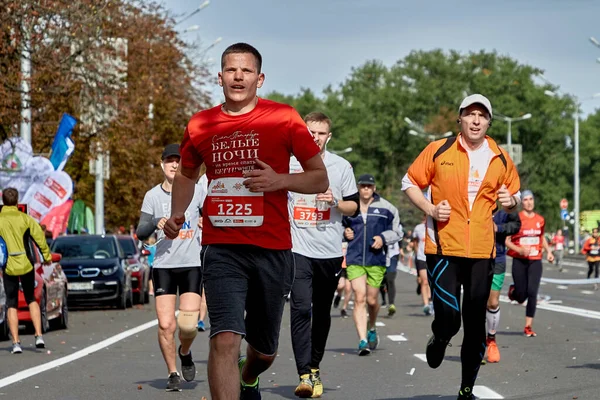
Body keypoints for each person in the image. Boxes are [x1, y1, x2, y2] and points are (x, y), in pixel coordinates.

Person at [163, 42, 329, 400]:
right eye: (231, 70)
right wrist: (178, 213)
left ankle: (249, 375)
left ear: (260, 78)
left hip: (272, 247)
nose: (238, 76)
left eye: (246, 70)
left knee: (264, 351)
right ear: (220, 77)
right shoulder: (201, 123)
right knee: (224, 337)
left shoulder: (283, 118)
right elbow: (187, 175)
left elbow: (319, 178)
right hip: (221, 246)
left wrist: (279, 180)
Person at [402, 94, 521, 400]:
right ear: (461, 119)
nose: (476, 120)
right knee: (450, 318)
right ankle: (439, 337)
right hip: (443, 248)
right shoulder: (438, 149)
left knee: (475, 324)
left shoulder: (501, 157)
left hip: (482, 250)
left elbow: (513, 195)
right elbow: (409, 182)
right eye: (470, 114)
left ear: (489, 121)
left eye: (482, 115)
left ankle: (466, 389)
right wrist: (429, 209)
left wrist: (511, 202)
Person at [288, 111, 359, 398]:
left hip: (328, 251)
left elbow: (353, 208)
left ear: (328, 136)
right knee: (301, 307)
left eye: (320, 133)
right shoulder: (289, 163)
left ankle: (315, 365)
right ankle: (304, 373)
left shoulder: (341, 167)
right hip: (297, 248)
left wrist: (336, 201)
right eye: (310, 132)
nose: (315, 137)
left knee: (321, 312)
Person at [136, 144, 207, 391]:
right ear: (162, 164)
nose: (174, 165)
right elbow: (140, 232)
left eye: (178, 161)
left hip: (191, 264)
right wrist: (156, 222)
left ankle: (185, 351)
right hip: (164, 266)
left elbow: (210, 218)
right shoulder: (152, 196)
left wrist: (204, 224)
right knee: (167, 325)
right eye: (169, 161)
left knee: (188, 325)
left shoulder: (197, 191)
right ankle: (172, 372)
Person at [343, 174, 401, 356]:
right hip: (355, 258)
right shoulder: (350, 206)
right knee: (359, 297)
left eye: (369, 186)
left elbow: (398, 231)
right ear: (358, 188)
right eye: (362, 186)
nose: (366, 189)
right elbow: (337, 226)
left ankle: (372, 326)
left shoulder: (387, 208)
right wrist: (345, 233)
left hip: (376, 260)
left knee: (372, 300)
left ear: (374, 188)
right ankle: (362, 341)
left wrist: (383, 238)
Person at [0, 188, 52, 353]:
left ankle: (16, 343)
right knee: (31, 299)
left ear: (3, 201)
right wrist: (47, 255)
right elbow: (39, 238)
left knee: (11, 303)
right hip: (26, 264)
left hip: (8, 266)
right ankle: (38, 335)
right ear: (17, 201)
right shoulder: (26, 219)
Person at [506, 190, 553, 337]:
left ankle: (528, 326)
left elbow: (541, 237)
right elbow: (506, 241)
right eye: (525, 199)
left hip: (535, 260)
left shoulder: (540, 219)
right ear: (522, 202)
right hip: (519, 260)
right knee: (521, 295)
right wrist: (519, 250)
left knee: (532, 292)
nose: (529, 202)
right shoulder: (516, 218)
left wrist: (549, 252)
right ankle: (514, 292)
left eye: (531, 199)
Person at [484, 209, 521, 363]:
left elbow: (516, 225)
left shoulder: (505, 206)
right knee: (476, 301)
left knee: (492, 303)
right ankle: (476, 345)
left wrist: (498, 228)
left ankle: (491, 340)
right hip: (474, 257)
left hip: (497, 257)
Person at [412, 215, 433, 315]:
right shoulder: (418, 228)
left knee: (431, 281)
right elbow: (415, 242)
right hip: (422, 258)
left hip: (433, 258)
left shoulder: (435, 227)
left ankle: (431, 300)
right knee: (424, 281)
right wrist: (417, 254)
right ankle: (426, 305)